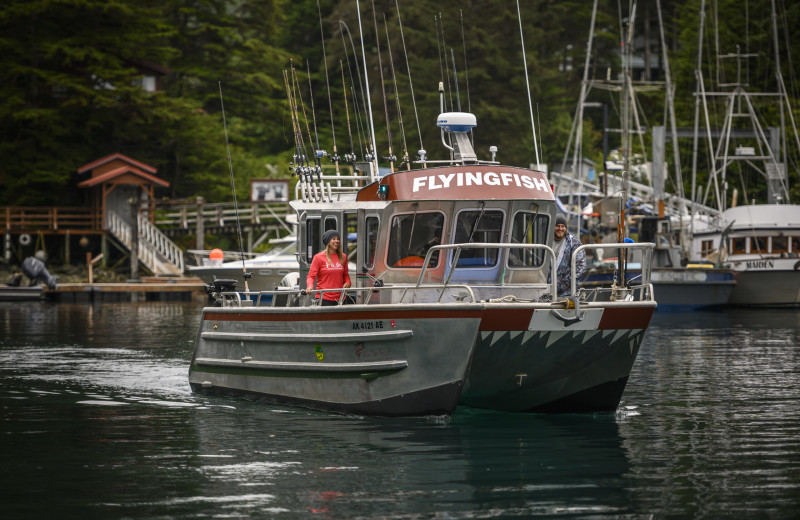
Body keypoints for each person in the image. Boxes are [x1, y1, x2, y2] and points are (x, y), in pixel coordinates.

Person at [304, 230, 352, 306]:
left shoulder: (343, 257)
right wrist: (310, 286)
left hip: (341, 298)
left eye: (338, 239)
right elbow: (311, 276)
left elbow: (346, 275)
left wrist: (348, 282)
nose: (337, 241)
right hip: (324, 298)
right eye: (334, 239)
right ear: (328, 241)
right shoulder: (318, 257)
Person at [548, 214, 586, 297]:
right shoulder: (546, 241)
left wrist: (566, 283)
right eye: (557, 226)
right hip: (547, 292)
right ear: (552, 227)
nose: (560, 229)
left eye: (563, 226)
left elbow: (581, 266)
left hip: (567, 293)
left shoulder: (574, 243)